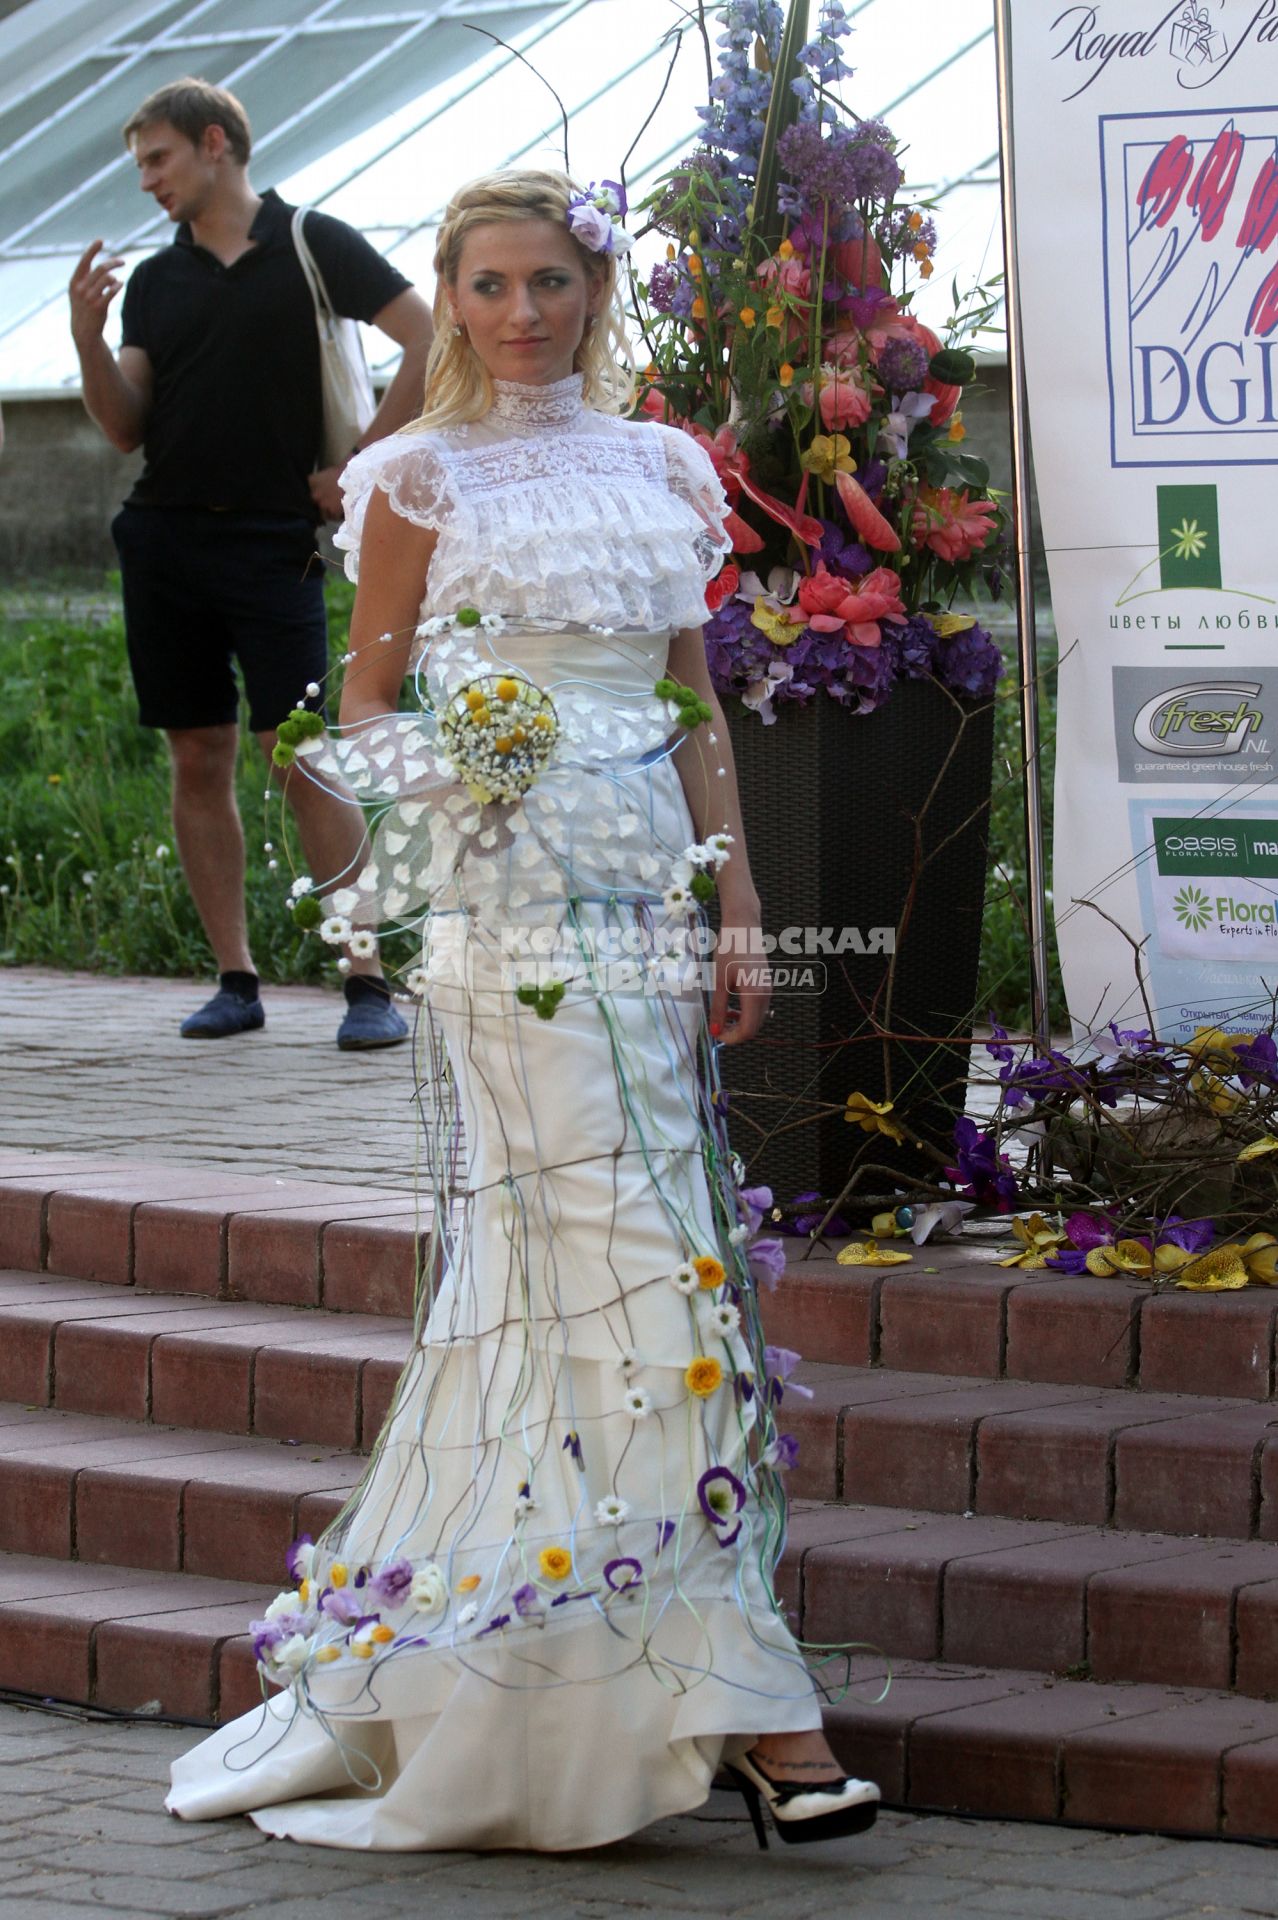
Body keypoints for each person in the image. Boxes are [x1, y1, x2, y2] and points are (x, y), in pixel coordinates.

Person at [165, 167, 880, 1852]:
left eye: (547, 281)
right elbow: (367, 696)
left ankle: (590, 1645)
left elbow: (695, 701)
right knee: (633, 1250)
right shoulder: (413, 474)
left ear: (589, 288)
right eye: (484, 285)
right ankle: (766, 1715)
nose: (516, 312)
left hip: (641, 894)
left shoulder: (661, 465)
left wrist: (741, 905)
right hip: (502, 907)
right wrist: (465, 785)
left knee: (613, 1255)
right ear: (451, 295)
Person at [68, 77, 435, 1048]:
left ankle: (368, 983)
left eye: (158, 158)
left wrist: (358, 465)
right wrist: (86, 338)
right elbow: (121, 427)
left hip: (275, 543)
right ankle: (235, 979)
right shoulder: (157, 281)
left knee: (302, 754)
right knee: (199, 752)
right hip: (164, 541)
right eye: (142, 164)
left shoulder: (316, 243)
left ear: (216, 142)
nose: (147, 181)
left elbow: (429, 340)